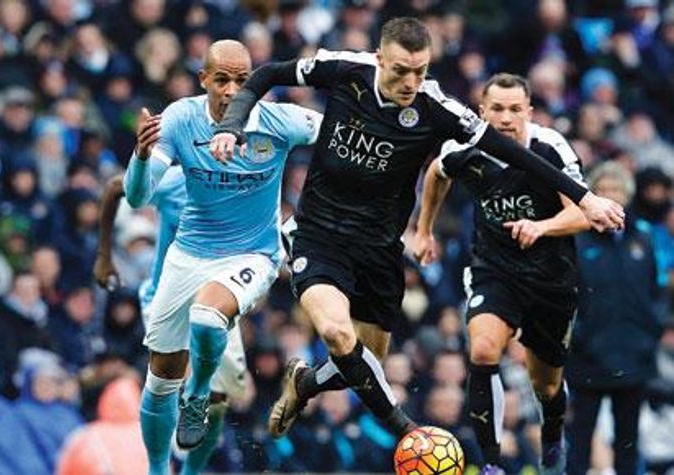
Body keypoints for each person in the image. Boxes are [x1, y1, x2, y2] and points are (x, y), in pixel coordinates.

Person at [209, 17, 623, 442]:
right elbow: (266, 74)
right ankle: (411, 434)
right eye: (400, 70)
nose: (410, 82)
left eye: (420, 71)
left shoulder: (436, 107)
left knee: (364, 362)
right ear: (378, 59)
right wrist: (231, 125)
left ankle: (306, 384)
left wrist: (585, 197)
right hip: (318, 234)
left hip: (379, 249)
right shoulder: (346, 69)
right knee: (336, 332)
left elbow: (513, 154)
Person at [121, 39, 322, 475]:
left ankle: (196, 395)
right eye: (222, 80)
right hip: (188, 255)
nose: (233, 90)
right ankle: (158, 470)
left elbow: (341, 137)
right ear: (203, 80)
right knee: (158, 381)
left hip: (253, 255)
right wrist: (139, 157)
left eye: (243, 80)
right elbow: (137, 197)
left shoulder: (281, 121)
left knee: (208, 318)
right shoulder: (179, 119)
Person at [413, 73, 591, 474]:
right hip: (494, 269)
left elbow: (583, 211)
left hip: (550, 278)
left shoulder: (550, 147)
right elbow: (436, 175)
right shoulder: (463, 147)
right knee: (482, 350)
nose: (506, 118)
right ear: (482, 111)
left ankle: (552, 436)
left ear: (529, 111)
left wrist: (541, 227)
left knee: (545, 386)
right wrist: (424, 230)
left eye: (515, 110)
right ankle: (491, 464)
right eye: (497, 109)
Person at [94, 166, 247, 473]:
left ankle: (191, 470)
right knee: (166, 382)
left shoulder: (245, 185)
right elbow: (113, 188)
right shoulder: (173, 179)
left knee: (218, 401)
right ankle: (158, 468)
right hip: (166, 298)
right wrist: (104, 256)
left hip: (217, 302)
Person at [568, 161, 666, 475]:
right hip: (587, 355)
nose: (612, 195)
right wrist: (579, 334)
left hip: (634, 352)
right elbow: (566, 294)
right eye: (605, 189)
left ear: (628, 194)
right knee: (581, 437)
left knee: (628, 440)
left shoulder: (643, 237)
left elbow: (655, 290)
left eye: (617, 190)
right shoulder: (576, 238)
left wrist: (651, 330)